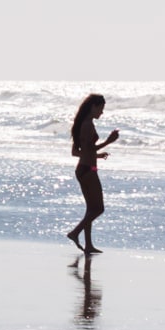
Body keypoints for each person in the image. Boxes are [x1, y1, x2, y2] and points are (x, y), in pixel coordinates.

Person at [64, 94, 117, 251]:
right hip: (88, 170)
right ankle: (75, 232)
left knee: (90, 209)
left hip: (83, 169)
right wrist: (108, 141)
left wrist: (98, 156)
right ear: (93, 106)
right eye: (101, 109)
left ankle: (88, 245)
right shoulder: (87, 125)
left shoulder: (82, 124)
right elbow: (87, 150)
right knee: (98, 209)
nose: (102, 113)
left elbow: (76, 152)